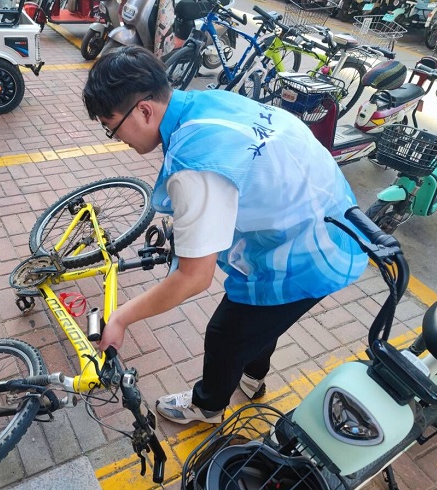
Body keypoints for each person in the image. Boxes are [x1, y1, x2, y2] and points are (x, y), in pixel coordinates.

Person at [82, 46, 368, 424]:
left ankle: (209, 406)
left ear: (144, 111)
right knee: (263, 314)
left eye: (111, 125)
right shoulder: (206, 101)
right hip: (330, 211)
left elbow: (194, 278)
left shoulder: (194, 165)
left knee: (225, 332)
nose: (114, 137)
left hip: (313, 250)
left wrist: (120, 318)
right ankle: (253, 376)